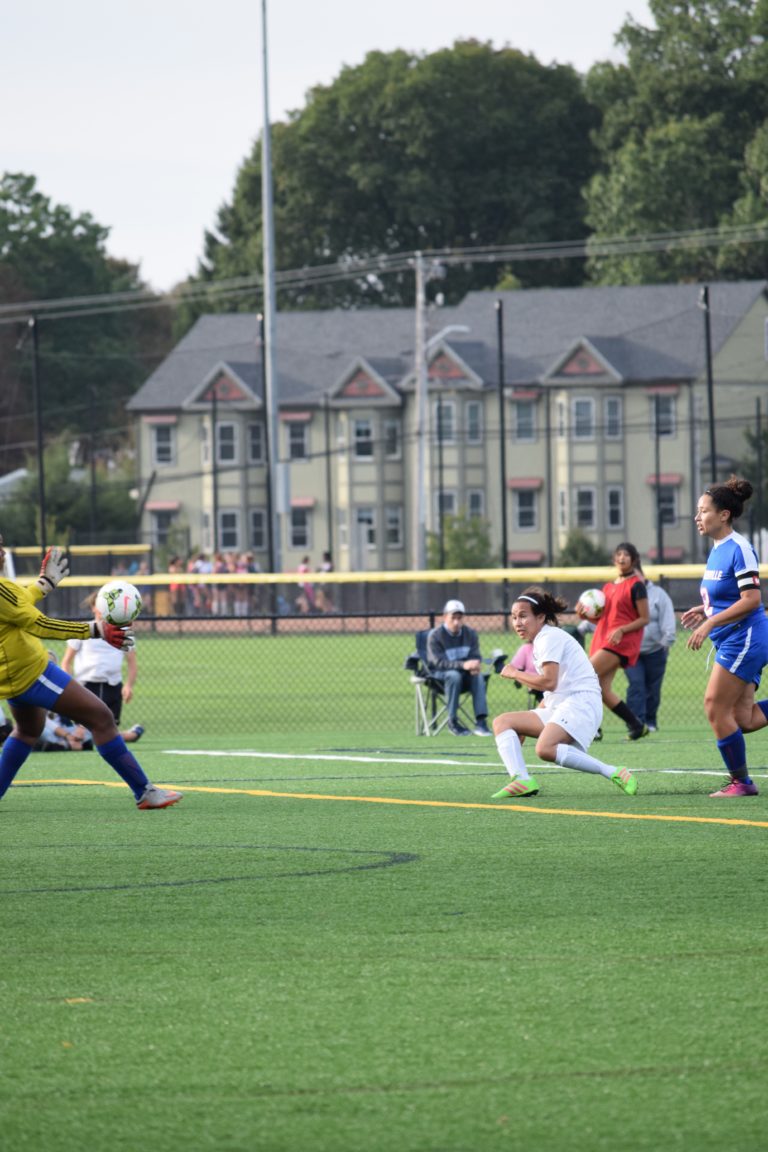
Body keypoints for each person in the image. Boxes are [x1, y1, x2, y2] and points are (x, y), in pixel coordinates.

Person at [0, 537, 181, 810]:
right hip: (31, 673)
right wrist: (97, 630)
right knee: (101, 718)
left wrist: (43, 585)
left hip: (11, 676)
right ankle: (145, 792)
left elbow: (17, 602)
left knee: (27, 731)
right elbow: (39, 624)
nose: (2, 551)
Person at [491, 587, 638, 798]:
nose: (517, 623)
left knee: (545, 749)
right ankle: (522, 780)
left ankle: (613, 771)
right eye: (514, 617)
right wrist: (524, 723)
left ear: (540, 617)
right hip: (563, 705)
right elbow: (552, 692)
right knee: (503, 723)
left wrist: (516, 673)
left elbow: (549, 682)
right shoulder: (541, 640)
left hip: (581, 704)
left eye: (523, 616)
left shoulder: (548, 638)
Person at [681, 476, 768, 798]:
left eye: (703, 511)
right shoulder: (718, 549)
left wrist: (708, 624)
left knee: (714, 707)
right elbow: (728, 595)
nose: (697, 517)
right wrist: (704, 611)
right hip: (734, 636)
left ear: (724, 515)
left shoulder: (740, 548)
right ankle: (740, 781)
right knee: (742, 718)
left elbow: (752, 600)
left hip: (745, 637)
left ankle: (741, 782)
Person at [576, 541, 650, 741]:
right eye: (618, 554)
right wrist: (585, 616)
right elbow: (604, 618)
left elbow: (644, 618)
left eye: (626, 555)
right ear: (614, 559)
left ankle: (592, 729)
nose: (621, 558)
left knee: (582, 676)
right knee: (602, 690)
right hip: (604, 638)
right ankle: (636, 725)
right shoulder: (608, 588)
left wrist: (622, 630)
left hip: (621, 642)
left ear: (634, 560)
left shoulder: (637, 586)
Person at [61, 591, 140, 727]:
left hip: (113, 685)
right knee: (84, 729)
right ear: (93, 607)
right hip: (86, 686)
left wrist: (128, 686)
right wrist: (72, 687)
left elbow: (132, 663)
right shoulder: (82, 629)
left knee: (110, 728)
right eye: (100, 605)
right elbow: (66, 662)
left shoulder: (123, 632)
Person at [426, 599, 492, 736]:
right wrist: (463, 665)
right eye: (453, 618)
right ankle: (452, 721)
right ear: (445, 617)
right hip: (439, 679)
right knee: (454, 675)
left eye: (459, 618)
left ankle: (481, 722)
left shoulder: (470, 634)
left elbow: (475, 655)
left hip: (464, 676)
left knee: (477, 675)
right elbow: (437, 663)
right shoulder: (435, 636)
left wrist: (475, 664)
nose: (456, 622)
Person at [623, 571, 677, 732]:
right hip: (631, 651)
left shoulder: (659, 594)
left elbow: (668, 620)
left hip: (655, 651)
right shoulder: (623, 592)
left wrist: (666, 642)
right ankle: (636, 722)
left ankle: (650, 722)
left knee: (653, 689)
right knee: (636, 685)